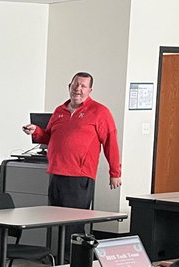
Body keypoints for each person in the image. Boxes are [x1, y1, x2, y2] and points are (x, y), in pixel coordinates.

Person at [21, 72, 121, 209]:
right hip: (57, 173)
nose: (78, 89)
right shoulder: (59, 111)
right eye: (75, 84)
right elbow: (49, 137)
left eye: (83, 86)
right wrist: (36, 131)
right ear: (69, 86)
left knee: (73, 223)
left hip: (79, 176)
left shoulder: (100, 112)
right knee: (54, 220)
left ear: (89, 90)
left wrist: (115, 173)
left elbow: (110, 143)